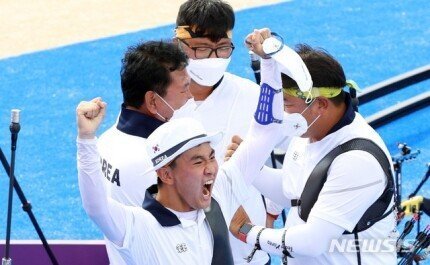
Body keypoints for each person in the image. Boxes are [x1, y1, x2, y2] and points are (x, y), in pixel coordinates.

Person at [76, 53, 287, 264]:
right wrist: (85, 140)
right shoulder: (140, 227)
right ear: (166, 174)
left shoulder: (220, 188)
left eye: (211, 156)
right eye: (197, 161)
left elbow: (265, 133)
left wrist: (268, 65)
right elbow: (96, 207)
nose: (211, 169)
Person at [228, 29, 397, 265]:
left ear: (320, 104)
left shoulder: (357, 161)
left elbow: (311, 243)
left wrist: (247, 232)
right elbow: (296, 194)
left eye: (286, 103)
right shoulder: (307, 132)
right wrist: (252, 166)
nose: (280, 113)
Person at [174, 1, 278, 263]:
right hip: (181, 247)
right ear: (178, 41)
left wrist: (272, 214)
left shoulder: (252, 96)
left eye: (221, 48)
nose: (213, 59)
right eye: (200, 48)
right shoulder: (161, 101)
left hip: (244, 246)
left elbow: (283, 153)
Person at [97, 40, 193, 264]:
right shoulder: (155, 163)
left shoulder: (106, 139)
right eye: (184, 88)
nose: (190, 96)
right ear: (152, 100)